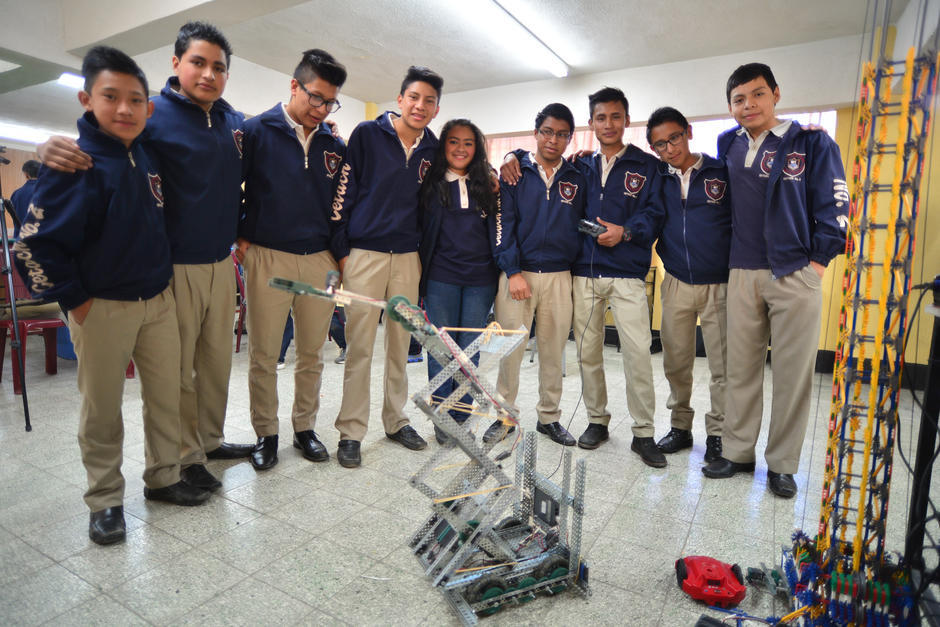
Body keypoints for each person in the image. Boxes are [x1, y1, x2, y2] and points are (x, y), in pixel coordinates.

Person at [37, 22, 255, 493]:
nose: (209, 74)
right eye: (198, 62)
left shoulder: (232, 121)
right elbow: (103, 143)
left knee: (216, 364)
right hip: (172, 266)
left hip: (221, 264)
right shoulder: (152, 118)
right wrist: (48, 145)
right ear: (176, 63)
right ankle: (185, 456)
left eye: (219, 67)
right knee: (178, 375)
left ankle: (209, 441)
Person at [13, 46, 211, 545]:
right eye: (110, 97)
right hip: (101, 307)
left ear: (149, 106)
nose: (124, 109)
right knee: (102, 409)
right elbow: (31, 246)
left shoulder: (147, 153)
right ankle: (104, 500)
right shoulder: (72, 164)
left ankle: (164, 477)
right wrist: (76, 301)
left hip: (158, 301)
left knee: (166, 398)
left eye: (135, 99)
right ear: (86, 100)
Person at [702, 63, 848, 498]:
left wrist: (818, 263)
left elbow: (836, 203)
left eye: (757, 94)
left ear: (776, 94)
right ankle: (737, 452)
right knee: (740, 369)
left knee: (792, 375)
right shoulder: (728, 143)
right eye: (738, 99)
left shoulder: (811, 142)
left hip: (794, 272)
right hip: (741, 271)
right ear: (730, 107)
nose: (748, 105)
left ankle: (782, 465)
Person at [499, 88, 664, 468]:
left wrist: (626, 232)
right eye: (601, 118)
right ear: (592, 123)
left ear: (626, 120)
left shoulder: (646, 166)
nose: (609, 124)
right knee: (587, 353)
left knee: (637, 353)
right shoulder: (582, 166)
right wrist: (512, 155)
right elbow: (533, 165)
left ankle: (643, 432)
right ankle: (596, 421)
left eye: (616, 117)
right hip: (584, 273)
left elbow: (655, 214)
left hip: (625, 274)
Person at [236, 48, 347, 471]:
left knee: (312, 353)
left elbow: (341, 204)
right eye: (315, 97)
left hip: (320, 260)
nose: (321, 108)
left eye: (330, 102)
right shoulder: (255, 131)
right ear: (294, 85)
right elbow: (230, 187)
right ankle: (266, 433)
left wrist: (339, 257)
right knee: (264, 354)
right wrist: (239, 236)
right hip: (268, 257)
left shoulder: (333, 143)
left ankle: (305, 428)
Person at [329, 66, 443, 467]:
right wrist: (343, 251)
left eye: (429, 101)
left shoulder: (433, 149)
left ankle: (396, 421)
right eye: (414, 97)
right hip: (364, 255)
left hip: (408, 259)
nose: (420, 106)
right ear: (400, 99)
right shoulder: (367, 135)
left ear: (436, 108)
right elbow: (343, 191)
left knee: (401, 346)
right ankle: (351, 431)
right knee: (359, 347)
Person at [485, 103, 586, 447]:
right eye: (547, 132)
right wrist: (512, 270)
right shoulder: (514, 173)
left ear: (570, 139)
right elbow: (502, 224)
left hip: (559, 276)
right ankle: (504, 417)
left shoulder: (577, 177)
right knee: (510, 351)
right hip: (518, 275)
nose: (553, 140)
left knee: (553, 351)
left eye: (562, 135)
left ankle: (549, 417)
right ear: (536, 133)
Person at [646, 106, 731, 465]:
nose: (670, 149)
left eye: (675, 138)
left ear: (688, 132)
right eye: (660, 144)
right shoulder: (657, 177)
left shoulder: (721, 171)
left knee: (723, 366)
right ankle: (680, 427)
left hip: (720, 285)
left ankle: (718, 434)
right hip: (677, 282)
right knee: (676, 362)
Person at [418, 119, 499, 445]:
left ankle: (462, 414)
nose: (461, 148)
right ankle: (441, 415)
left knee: (468, 352)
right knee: (442, 350)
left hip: (480, 281)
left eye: (468, 143)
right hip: (441, 279)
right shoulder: (430, 184)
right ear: (443, 146)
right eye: (453, 141)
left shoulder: (488, 186)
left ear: (477, 149)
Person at [10, 160, 40, 239]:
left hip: (20, 239)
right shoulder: (47, 192)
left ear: (26, 174)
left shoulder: (16, 194)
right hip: (41, 240)